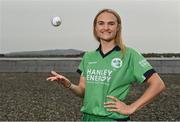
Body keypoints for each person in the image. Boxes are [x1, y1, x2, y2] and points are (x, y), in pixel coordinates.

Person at [47, 8, 166, 121]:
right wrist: (68, 85)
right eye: (101, 23)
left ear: (118, 27)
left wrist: (131, 107)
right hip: (88, 118)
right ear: (95, 27)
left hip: (113, 119)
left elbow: (158, 84)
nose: (106, 27)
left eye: (111, 23)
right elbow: (83, 91)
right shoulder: (88, 57)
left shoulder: (129, 55)